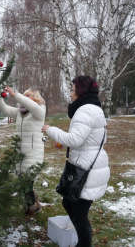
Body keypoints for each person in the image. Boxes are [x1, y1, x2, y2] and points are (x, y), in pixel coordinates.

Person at [41, 76, 109, 247]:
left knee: (79, 213)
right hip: (90, 164)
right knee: (68, 203)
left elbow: (76, 140)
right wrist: (64, 141)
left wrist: (51, 130)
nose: (70, 95)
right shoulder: (94, 108)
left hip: (87, 169)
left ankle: (83, 245)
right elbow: (88, 139)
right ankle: (81, 241)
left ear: (80, 91)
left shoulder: (85, 110)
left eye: (72, 90)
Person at [0, 86, 46, 216]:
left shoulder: (39, 110)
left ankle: (33, 207)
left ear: (35, 97)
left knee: (27, 181)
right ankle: (33, 200)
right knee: (22, 181)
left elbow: (33, 107)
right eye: (25, 95)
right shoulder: (19, 112)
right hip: (21, 153)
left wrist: (15, 94)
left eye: (28, 95)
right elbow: (4, 109)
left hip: (34, 153)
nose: (25, 97)